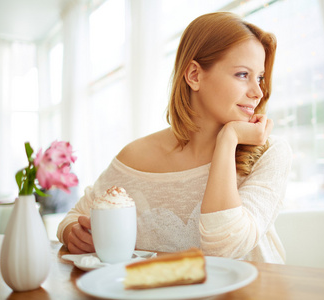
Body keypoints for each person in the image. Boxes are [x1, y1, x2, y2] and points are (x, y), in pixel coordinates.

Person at [57, 11, 292, 264]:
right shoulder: (134, 157)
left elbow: (226, 247)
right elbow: (72, 218)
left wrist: (228, 139)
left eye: (260, 78)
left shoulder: (270, 152)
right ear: (194, 75)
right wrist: (73, 233)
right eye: (243, 75)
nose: (258, 92)